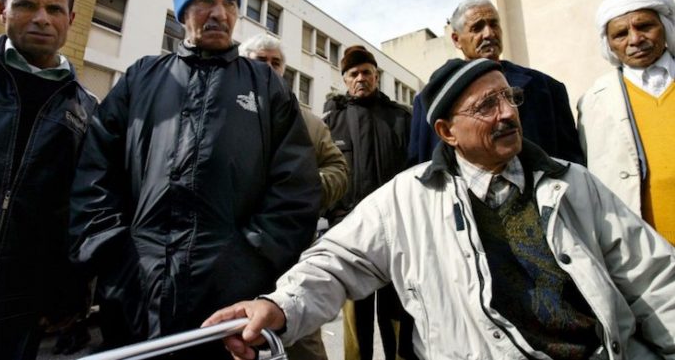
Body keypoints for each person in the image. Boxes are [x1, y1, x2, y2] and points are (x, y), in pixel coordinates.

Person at [206, 58, 675, 360]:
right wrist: (279, 305)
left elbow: (655, 280)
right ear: (448, 132)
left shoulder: (573, 183)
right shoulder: (406, 199)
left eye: (509, 98)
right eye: (487, 105)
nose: (507, 113)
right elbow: (335, 262)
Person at [69, 0, 320, 356]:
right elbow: (94, 170)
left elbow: (296, 185)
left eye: (229, 2)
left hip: (227, 303)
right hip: (135, 294)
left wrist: (249, 260)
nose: (220, 13)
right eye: (205, 0)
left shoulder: (265, 86)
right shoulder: (142, 78)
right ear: (182, 10)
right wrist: (113, 253)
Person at [0, 0, 97, 360]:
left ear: (70, 19)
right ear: (2, 9)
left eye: (54, 9)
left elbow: (84, 209)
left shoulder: (87, 110)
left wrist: (74, 286)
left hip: (20, 309)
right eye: (26, 5)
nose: (42, 19)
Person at [240, 33, 348, 360]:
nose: (270, 68)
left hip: (291, 252)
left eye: (276, 63)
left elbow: (338, 169)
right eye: (261, 61)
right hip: (234, 249)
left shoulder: (310, 122)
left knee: (303, 341)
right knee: (237, 336)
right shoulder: (223, 110)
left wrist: (303, 189)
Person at [409, 0, 584, 166]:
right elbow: (422, 166)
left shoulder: (546, 88)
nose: (489, 34)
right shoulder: (429, 102)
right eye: (477, 28)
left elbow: (572, 162)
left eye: (494, 24)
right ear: (456, 39)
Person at [322, 45, 413, 360]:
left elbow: (416, 168)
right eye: (354, 73)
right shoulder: (331, 121)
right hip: (351, 236)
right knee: (355, 318)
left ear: (376, 76)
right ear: (345, 79)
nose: (361, 78)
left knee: (397, 314)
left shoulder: (401, 118)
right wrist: (334, 215)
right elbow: (318, 171)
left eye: (366, 72)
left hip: (397, 234)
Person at [578, 0, 675, 245]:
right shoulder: (594, 102)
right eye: (621, 34)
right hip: (649, 254)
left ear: (665, 26)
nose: (635, 39)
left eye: (644, 26)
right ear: (609, 44)